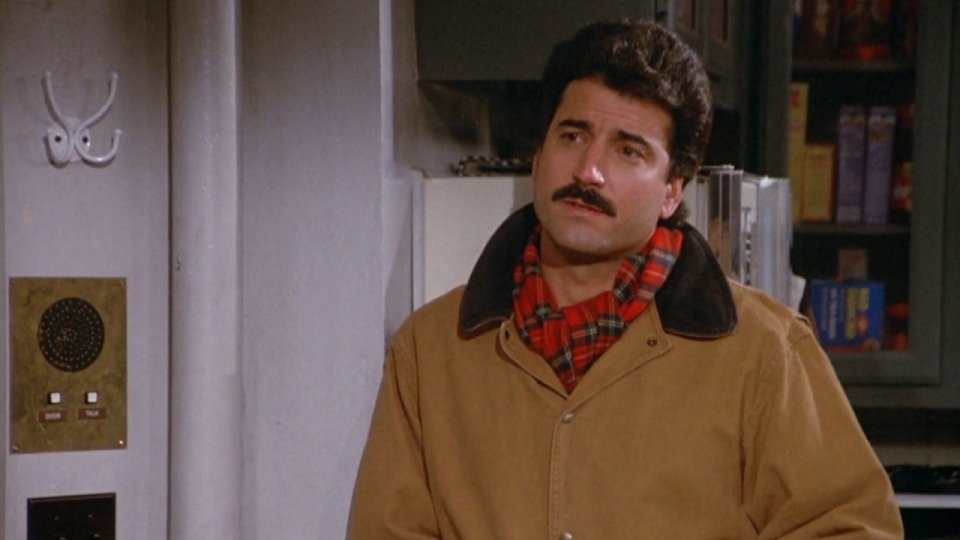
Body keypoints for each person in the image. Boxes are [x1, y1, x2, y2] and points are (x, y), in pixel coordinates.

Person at [347, 19, 902, 539]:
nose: (588, 171)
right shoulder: (430, 352)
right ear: (538, 158)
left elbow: (849, 529)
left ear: (672, 191)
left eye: (628, 151)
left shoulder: (765, 353)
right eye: (572, 136)